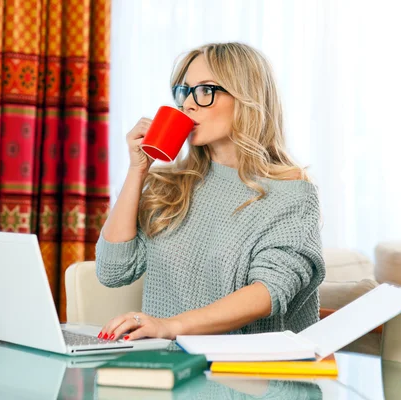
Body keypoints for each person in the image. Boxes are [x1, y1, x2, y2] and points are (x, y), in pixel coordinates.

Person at [95, 42, 325, 342]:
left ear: (246, 97)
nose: (188, 105)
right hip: (169, 368)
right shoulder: (170, 187)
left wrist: (170, 327)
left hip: (252, 376)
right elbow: (113, 271)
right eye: (185, 91)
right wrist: (138, 170)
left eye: (205, 91)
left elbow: (269, 292)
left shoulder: (292, 194)